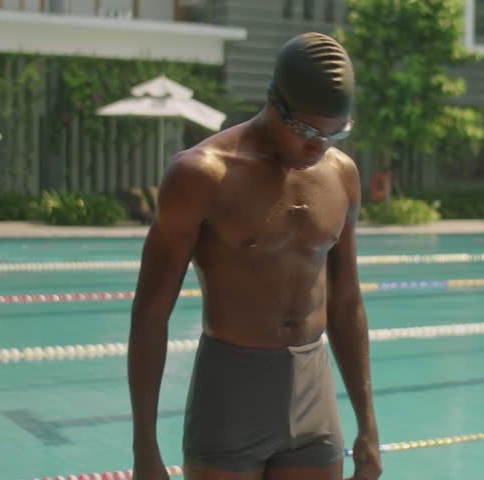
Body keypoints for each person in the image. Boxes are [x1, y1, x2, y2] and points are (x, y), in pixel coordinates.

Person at [128, 32, 382, 480]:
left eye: (335, 133)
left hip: (313, 389)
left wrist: (368, 426)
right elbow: (151, 313)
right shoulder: (203, 174)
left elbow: (346, 303)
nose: (318, 146)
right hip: (231, 391)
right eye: (306, 131)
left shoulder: (342, 175)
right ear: (272, 103)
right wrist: (144, 447)